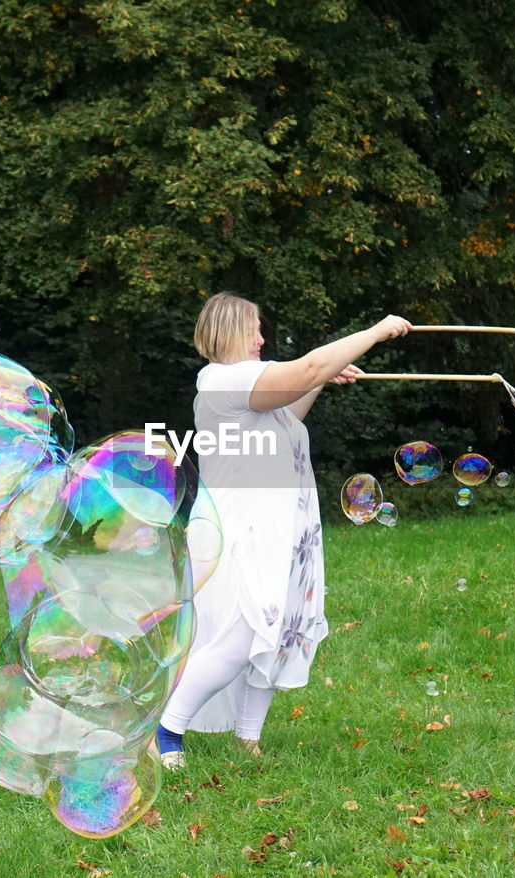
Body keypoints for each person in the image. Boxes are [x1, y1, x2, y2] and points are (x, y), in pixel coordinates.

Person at [156, 293, 412, 769]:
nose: (261, 339)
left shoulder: (247, 389)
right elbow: (308, 367)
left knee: (277, 632)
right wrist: (375, 332)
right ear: (228, 331)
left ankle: (247, 739)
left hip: (282, 529)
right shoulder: (224, 381)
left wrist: (321, 383)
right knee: (241, 636)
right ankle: (165, 731)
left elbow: (288, 416)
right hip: (243, 531)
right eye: (253, 329)